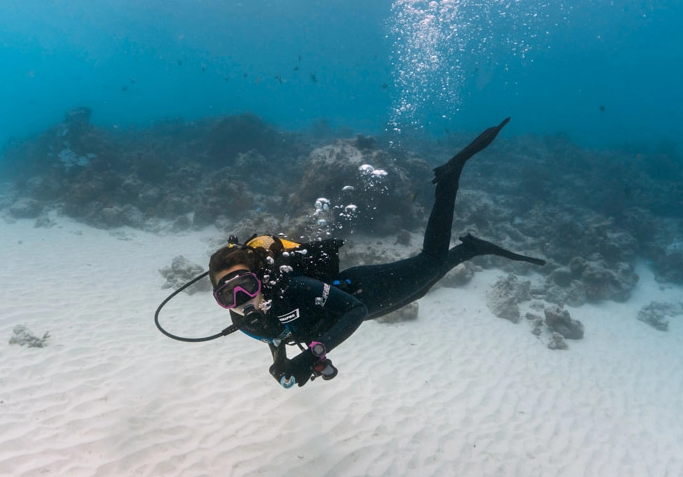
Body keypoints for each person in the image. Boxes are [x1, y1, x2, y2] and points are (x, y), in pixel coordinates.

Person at [208, 118, 545, 388]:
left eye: (246, 286)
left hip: (363, 291)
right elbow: (276, 331)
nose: (242, 299)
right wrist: (280, 365)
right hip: (363, 308)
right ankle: (470, 249)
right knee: (425, 286)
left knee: (430, 260)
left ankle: (450, 176)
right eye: (228, 294)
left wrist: (314, 355)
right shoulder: (243, 319)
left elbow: (354, 311)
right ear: (220, 300)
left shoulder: (289, 287)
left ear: (260, 280)